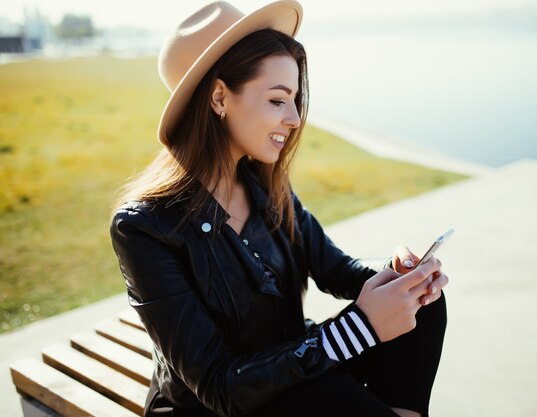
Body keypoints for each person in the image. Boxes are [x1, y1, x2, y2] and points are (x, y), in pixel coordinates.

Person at [110, 1, 449, 416]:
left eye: (294, 100)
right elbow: (218, 385)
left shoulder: (266, 188)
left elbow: (337, 269)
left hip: (290, 366)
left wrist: (399, 274)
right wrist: (359, 327)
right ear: (219, 97)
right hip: (216, 404)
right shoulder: (145, 226)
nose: (294, 118)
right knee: (330, 396)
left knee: (424, 307)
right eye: (277, 100)